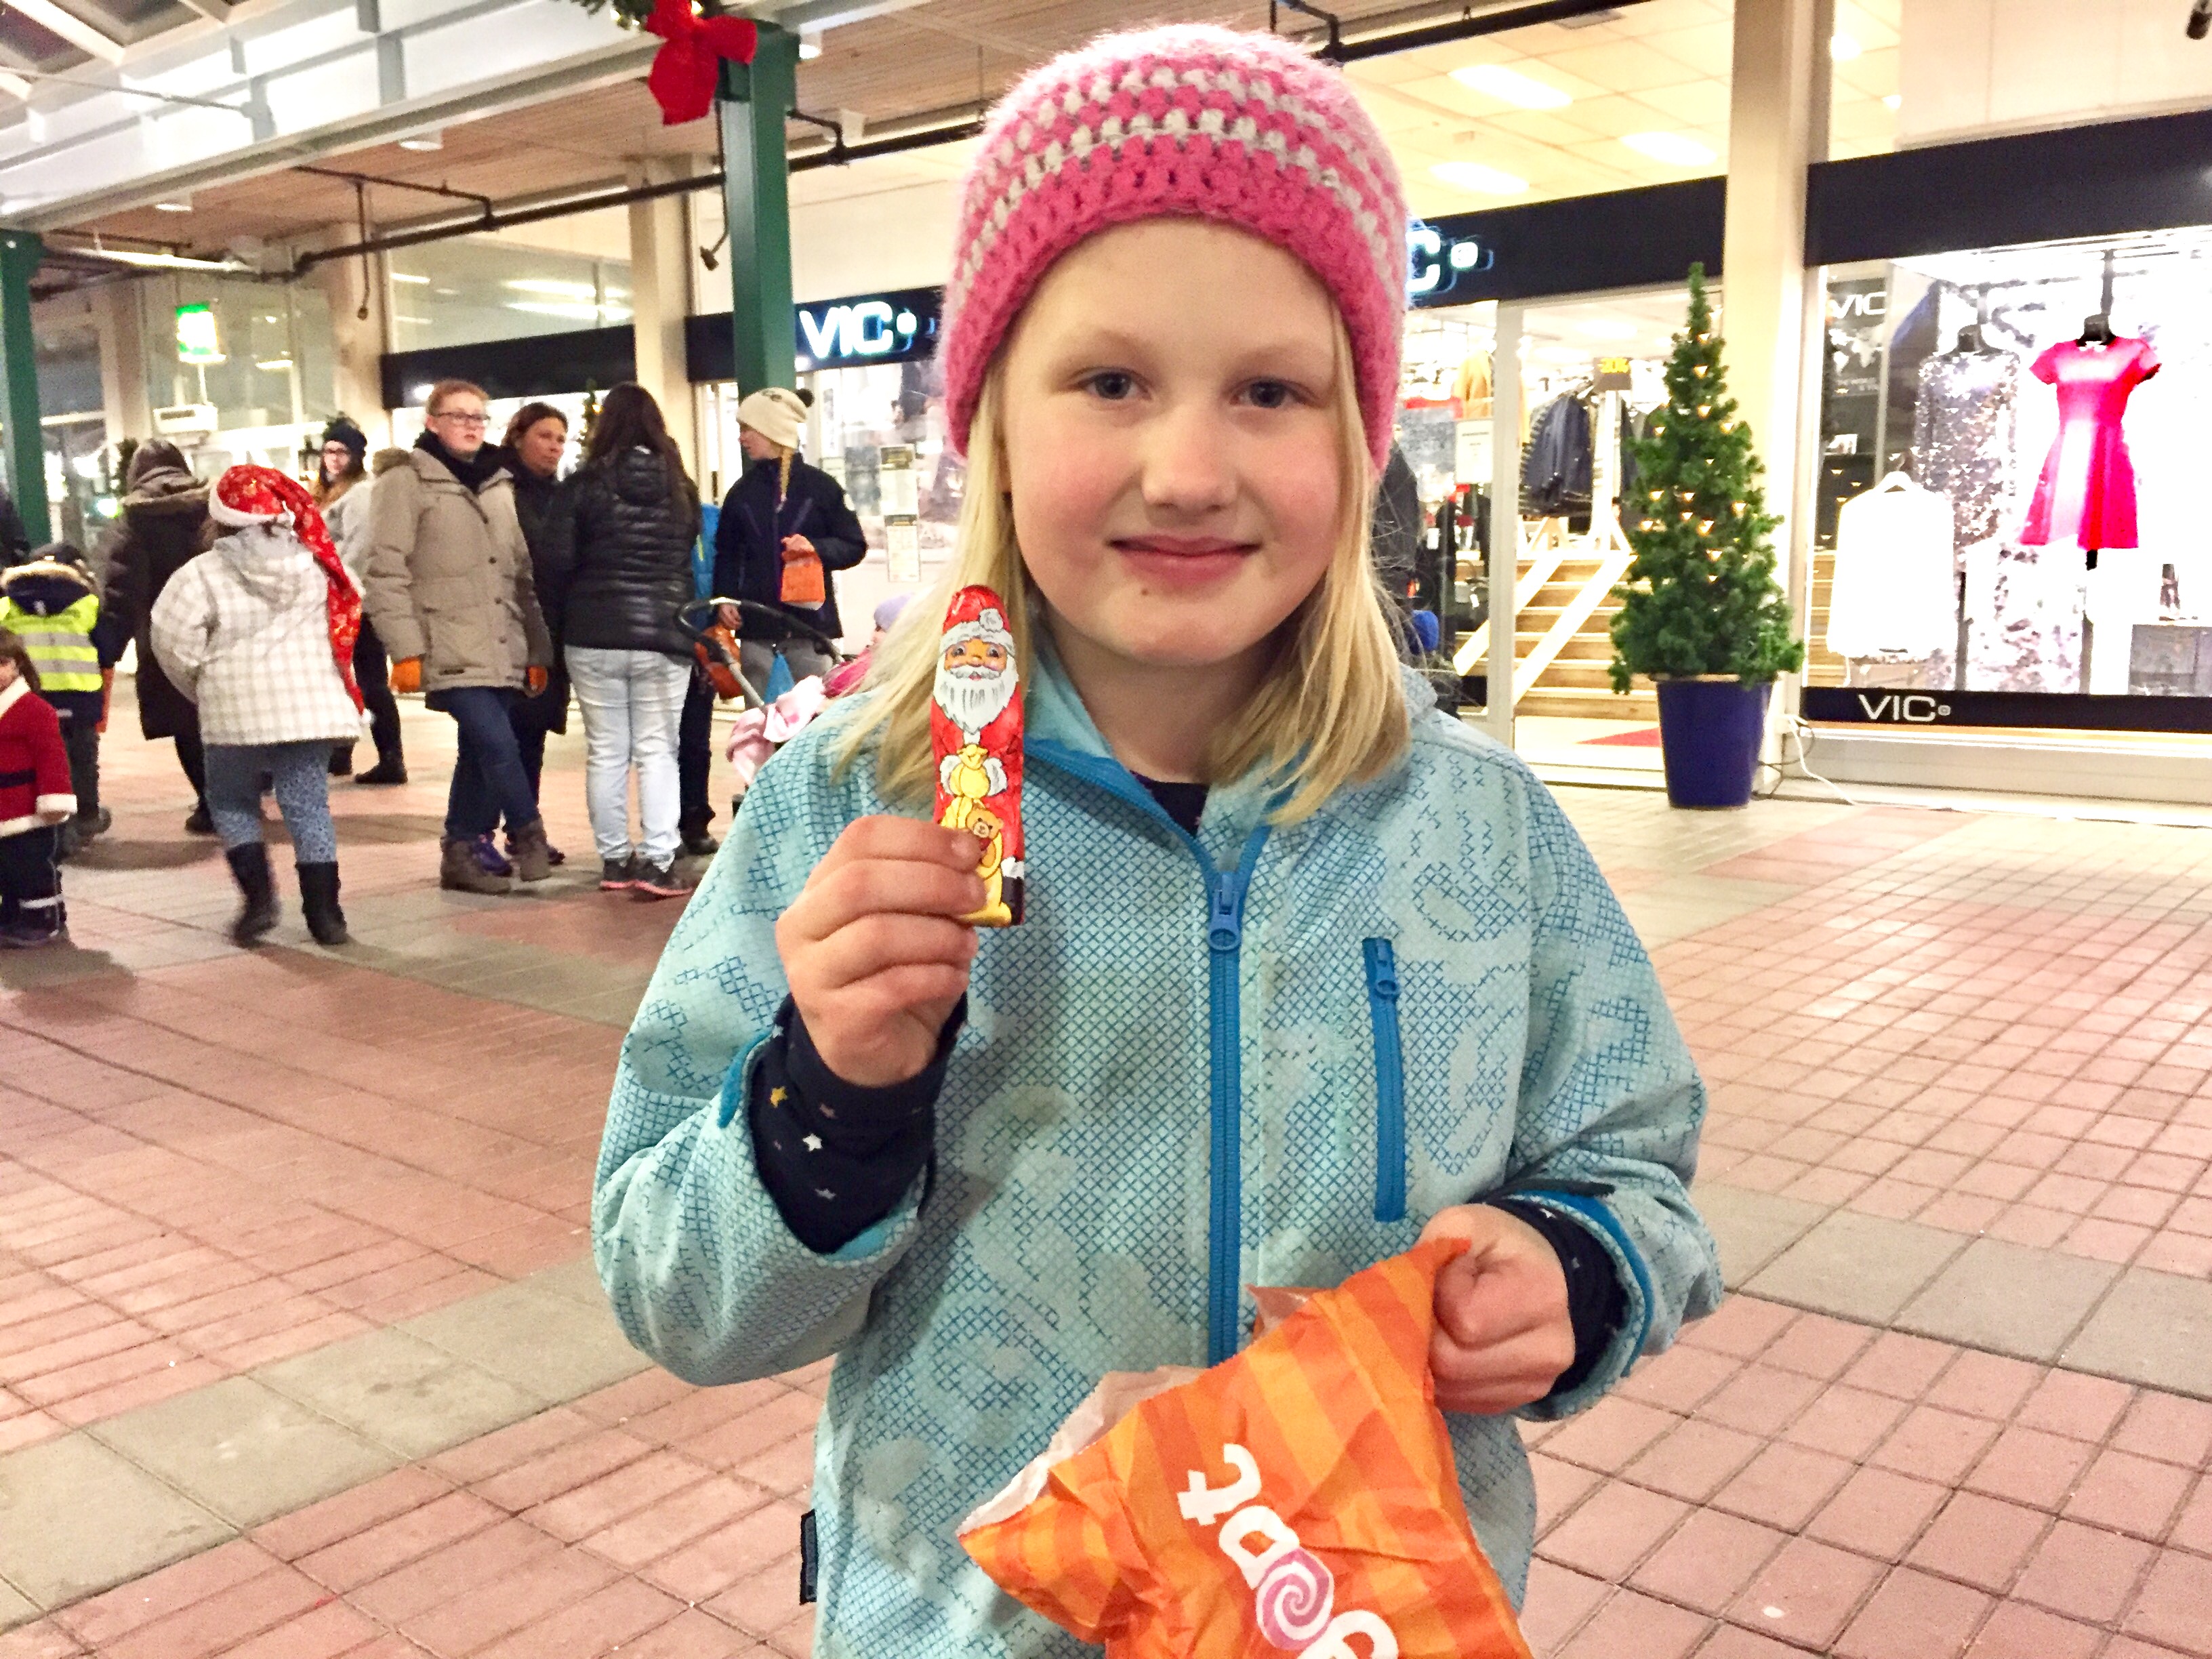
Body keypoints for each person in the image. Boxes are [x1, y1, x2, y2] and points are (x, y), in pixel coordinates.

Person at [593, 26, 1717, 1658]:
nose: (1187, 470)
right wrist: (825, 1093)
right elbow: (670, 1287)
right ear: (988, 419)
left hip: (1356, 1616)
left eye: (1270, 390)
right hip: (964, 1620)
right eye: (1109, 380)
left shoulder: (1482, 825)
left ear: (1358, 437)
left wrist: (1578, 1266)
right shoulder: (851, 800)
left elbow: (1637, 1166)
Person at [149, 466, 365, 947]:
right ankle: (326, 916)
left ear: (220, 519)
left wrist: (203, 685)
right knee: (308, 806)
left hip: (234, 712)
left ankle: (259, 901)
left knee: (230, 801)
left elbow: (171, 638)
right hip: (309, 709)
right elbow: (352, 606)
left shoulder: (202, 572)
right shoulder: (318, 563)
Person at [364, 379, 555, 897]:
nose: (470, 426)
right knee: (498, 742)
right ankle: (527, 832)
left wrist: (535, 647)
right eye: (458, 416)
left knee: (479, 748)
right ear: (432, 423)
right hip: (444, 640)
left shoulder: (498, 483)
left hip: (501, 641)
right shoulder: (406, 482)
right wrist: (404, 648)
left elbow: (520, 572)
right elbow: (384, 570)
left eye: (478, 417)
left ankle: (461, 849)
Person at [539, 384, 699, 900]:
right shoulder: (681, 488)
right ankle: (658, 861)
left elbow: (556, 563)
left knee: (607, 750)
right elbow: (683, 562)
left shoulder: (582, 485)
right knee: (657, 751)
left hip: (593, 633)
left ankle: (613, 858)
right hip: (663, 633)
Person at [711, 384, 865, 689]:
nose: (741, 438)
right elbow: (727, 553)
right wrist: (725, 599)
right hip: (755, 630)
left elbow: (854, 546)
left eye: (747, 429)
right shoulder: (741, 494)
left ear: (771, 430)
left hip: (810, 631)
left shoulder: (822, 488)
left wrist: (815, 548)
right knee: (759, 722)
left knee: (812, 720)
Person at [102, 441, 216, 834]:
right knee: (230, 713)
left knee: (185, 720)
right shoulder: (212, 506)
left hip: (164, 633)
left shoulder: (134, 520)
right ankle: (238, 795)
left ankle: (209, 802)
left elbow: (121, 587)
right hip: (220, 626)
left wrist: (109, 646)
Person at [496, 401, 572, 876]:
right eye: (546, 436)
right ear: (519, 435)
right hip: (508, 626)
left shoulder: (561, 495)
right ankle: (506, 830)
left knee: (533, 734)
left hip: (551, 629)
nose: (554, 447)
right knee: (500, 735)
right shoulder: (500, 489)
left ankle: (524, 828)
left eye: (561, 439)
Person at [314, 416, 407, 787]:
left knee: (370, 682)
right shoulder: (330, 492)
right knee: (340, 680)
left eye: (342, 451)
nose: (334, 458)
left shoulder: (360, 495)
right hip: (339, 599)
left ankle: (390, 758)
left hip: (357, 603)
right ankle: (341, 752)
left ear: (357, 456)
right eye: (329, 451)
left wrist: (338, 587)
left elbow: (357, 550)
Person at [0, 545, 105, 855]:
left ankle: (59, 828)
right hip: (79, 691)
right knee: (83, 759)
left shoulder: (6, 605)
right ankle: (86, 818)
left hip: (32, 694)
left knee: (44, 758)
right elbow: (108, 646)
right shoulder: (86, 602)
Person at [0, 628, 73, 947]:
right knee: (8, 868)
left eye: (0, 663)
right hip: (4, 809)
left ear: (16, 665)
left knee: (33, 867)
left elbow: (52, 758)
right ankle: (14, 914)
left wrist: (54, 799)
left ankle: (43, 919)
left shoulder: (34, 710)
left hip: (28, 810)